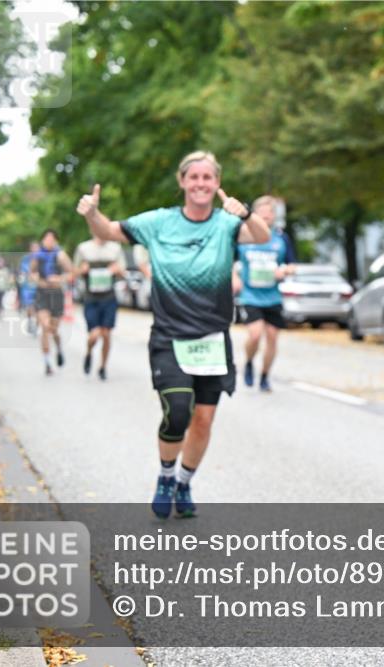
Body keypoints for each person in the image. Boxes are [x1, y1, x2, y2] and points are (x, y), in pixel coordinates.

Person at [75, 150, 270, 519]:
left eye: (207, 178)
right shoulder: (158, 223)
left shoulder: (226, 224)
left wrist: (243, 211)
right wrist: (92, 214)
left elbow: (260, 235)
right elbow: (109, 231)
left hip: (213, 339)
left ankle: (184, 480)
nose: (200, 183)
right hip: (170, 336)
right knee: (179, 411)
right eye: (193, 177)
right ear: (182, 181)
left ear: (216, 183)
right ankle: (166, 475)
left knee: (204, 420)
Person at [233, 195, 296, 392]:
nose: (267, 215)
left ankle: (265, 375)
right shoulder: (243, 235)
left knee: (272, 337)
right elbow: (228, 260)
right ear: (255, 213)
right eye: (263, 212)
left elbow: (293, 265)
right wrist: (234, 277)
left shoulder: (281, 238)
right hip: (250, 295)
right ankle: (250, 361)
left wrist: (284, 271)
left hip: (272, 296)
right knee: (254, 335)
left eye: (270, 212)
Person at [73, 231, 127, 380]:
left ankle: (103, 366)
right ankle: (89, 353)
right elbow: (74, 272)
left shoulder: (115, 248)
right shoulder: (84, 248)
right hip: (91, 297)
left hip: (109, 297)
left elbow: (123, 272)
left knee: (106, 334)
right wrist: (82, 270)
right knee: (94, 335)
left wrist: (117, 270)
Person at [31, 230, 73, 375]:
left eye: (51, 239)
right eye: (46, 239)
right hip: (42, 293)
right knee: (44, 326)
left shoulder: (61, 255)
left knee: (53, 330)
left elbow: (71, 272)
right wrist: (37, 279)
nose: (48, 241)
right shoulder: (37, 256)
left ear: (55, 241)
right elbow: (31, 272)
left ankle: (59, 348)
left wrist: (59, 279)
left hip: (56, 294)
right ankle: (47, 363)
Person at [19, 242, 40, 335]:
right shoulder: (25, 259)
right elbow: (23, 272)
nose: (35, 250)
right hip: (27, 287)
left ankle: (36, 325)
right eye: (33, 248)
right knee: (30, 307)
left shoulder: (42, 259)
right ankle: (30, 320)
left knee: (39, 309)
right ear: (30, 249)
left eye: (37, 248)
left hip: (39, 287)